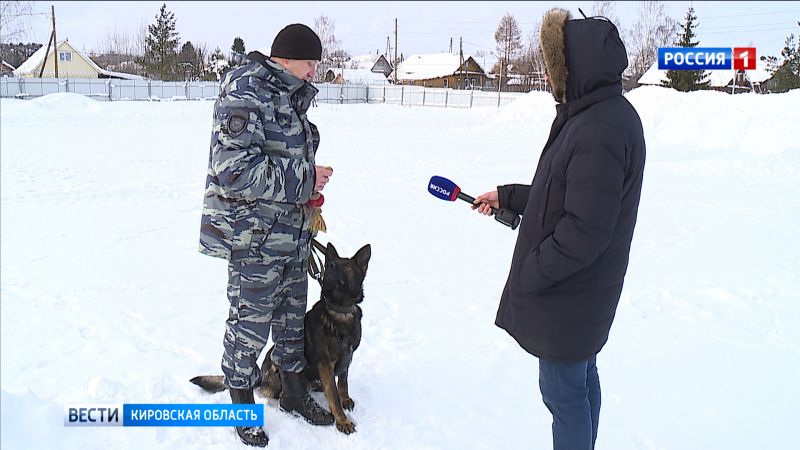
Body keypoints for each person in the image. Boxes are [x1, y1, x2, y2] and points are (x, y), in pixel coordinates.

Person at [472, 8, 645, 450]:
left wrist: (530, 275)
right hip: (580, 295)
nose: (548, 75)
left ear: (572, 65)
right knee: (578, 381)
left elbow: (583, 230)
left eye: (553, 65)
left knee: (564, 391)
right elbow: (563, 192)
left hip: (571, 293)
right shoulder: (594, 115)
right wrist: (508, 196)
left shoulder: (600, 128)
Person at [198, 23, 335, 447]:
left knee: (293, 320)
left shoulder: (288, 95)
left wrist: (307, 196)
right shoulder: (245, 92)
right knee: (250, 324)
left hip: (290, 234)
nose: (314, 71)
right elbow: (234, 170)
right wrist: (305, 181)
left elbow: (282, 157)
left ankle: (293, 393)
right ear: (286, 58)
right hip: (252, 238)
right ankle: (242, 401)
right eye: (310, 63)